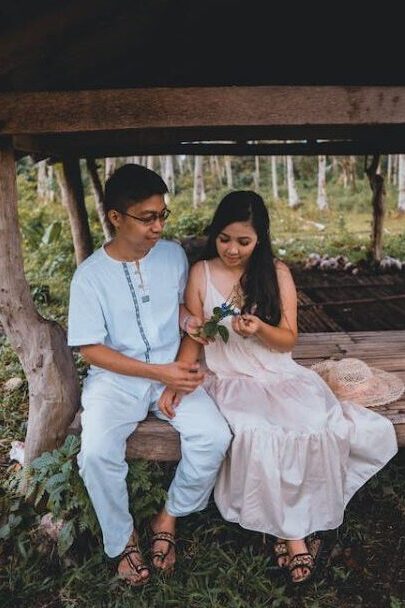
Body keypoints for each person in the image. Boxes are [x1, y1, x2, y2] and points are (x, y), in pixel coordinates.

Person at [158, 190, 398, 586]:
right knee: (260, 431)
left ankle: (293, 523)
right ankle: (292, 534)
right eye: (225, 239)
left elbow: (287, 340)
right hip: (232, 379)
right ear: (214, 234)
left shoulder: (276, 272)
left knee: (316, 425)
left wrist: (260, 328)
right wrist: (179, 379)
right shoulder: (200, 273)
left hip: (279, 374)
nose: (232, 250)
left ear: (260, 239)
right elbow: (196, 336)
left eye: (244, 241)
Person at [67, 164, 232, 587]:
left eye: (163, 215)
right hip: (115, 379)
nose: (158, 226)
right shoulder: (89, 277)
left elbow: (174, 305)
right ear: (116, 217)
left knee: (214, 436)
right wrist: (158, 371)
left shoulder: (173, 255)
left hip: (172, 369)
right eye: (147, 217)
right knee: (97, 453)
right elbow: (90, 349)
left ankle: (169, 517)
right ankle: (122, 540)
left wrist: (187, 324)